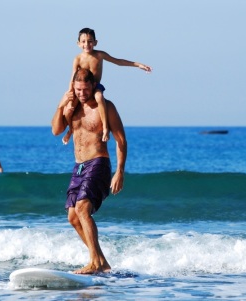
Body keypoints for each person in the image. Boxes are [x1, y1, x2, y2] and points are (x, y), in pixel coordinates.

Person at [52, 68, 127, 274]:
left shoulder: (106, 107)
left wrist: (120, 171)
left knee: (83, 209)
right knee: (73, 217)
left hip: (98, 163)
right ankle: (101, 262)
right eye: (78, 90)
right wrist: (61, 106)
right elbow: (56, 130)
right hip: (79, 166)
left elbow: (121, 140)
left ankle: (94, 262)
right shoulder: (73, 107)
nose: (82, 94)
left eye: (85, 90)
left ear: (93, 86)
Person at [62, 27, 152, 145]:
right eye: (83, 41)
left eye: (90, 41)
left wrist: (138, 65)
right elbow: (73, 77)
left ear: (95, 42)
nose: (87, 44)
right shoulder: (77, 59)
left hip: (95, 86)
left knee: (99, 97)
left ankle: (105, 128)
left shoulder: (100, 55)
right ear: (78, 44)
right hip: (82, 88)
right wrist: (70, 91)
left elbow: (118, 62)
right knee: (68, 109)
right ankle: (70, 130)